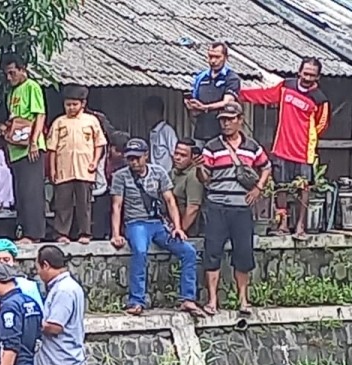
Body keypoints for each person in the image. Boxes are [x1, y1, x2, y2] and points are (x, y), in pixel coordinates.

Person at [109, 138, 201, 316]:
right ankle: (136, 300)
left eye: (137, 158)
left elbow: (170, 200)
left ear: (146, 156)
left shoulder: (158, 172)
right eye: (130, 159)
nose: (134, 162)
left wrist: (177, 227)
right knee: (140, 251)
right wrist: (116, 233)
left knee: (188, 251)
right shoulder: (121, 176)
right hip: (136, 223)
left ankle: (187, 298)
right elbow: (117, 206)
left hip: (158, 223)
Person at [240, 57, 331, 238]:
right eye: (305, 73)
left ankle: (300, 226)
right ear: (299, 72)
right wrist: (239, 94)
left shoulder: (320, 99)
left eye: (312, 75)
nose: (307, 77)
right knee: (281, 187)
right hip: (282, 146)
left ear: (318, 77)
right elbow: (264, 95)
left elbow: (323, 124)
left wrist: (306, 136)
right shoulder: (286, 87)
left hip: (304, 151)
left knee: (304, 188)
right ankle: (283, 224)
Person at [199, 102, 271, 316]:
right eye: (223, 119)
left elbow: (266, 166)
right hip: (217, 206)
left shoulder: (252, 146)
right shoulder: (211, 146)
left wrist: (258, 188)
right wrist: (201, 171)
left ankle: (243, 299)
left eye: (230, 119)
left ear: (240, 120)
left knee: (243, 254)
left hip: (242, 207)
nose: (226, 123)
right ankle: (212, 300)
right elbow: (205, 176)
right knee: (212, 252)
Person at [34, 246, 86, 365]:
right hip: (62, 362)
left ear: (46, 265)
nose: (39, 273)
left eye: (39, 268)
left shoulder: (63, 290)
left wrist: (33, 322)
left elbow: (55, 327)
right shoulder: (67, 286)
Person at [48, 84, 105, 244]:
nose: (71, 108)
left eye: (75, 104)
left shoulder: (91, 121)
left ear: (83, 104)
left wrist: (95, 162)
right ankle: (61, 234)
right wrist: (52, 169)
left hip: (85, 169)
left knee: (83, 203)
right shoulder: (59, 122)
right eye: (68, 104)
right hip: (63, 170)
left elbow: (99, 144)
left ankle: (85, 233)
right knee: (62, 203)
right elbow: (52, 148)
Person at [2, 54, 47, 243]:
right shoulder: (11, 93)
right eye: (7, 74)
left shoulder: (32, 87)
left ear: (23, 70)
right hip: (15, 147)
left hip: (30, 147)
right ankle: (23, 230)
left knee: (32, 191)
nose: (9, 78)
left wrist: (34, 141)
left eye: (12, 73)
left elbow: (40, 115)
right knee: (20, 192)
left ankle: (34, 234)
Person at [188, 42, 241, 145]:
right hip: (201, 132)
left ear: (225, 57)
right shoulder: (200, 77)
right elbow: (195, 105)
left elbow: (227, 102)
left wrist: (205, 107)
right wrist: (192, 106)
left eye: (217, 57)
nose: (213, 61)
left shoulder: (231, 78)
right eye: (210, 57)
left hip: (221, 134)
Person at [170, 141, 205, 236]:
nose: (177, 158)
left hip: (189, 232)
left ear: (193, 157)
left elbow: (193, 208)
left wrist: (180, 230)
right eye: (176, 153)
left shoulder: (194, 176)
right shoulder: (173, 172)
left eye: (183, 155)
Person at [145, 96, 178, 174]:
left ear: (155, 112)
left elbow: (175, 155)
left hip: (167, 175)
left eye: (147, 112)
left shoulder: (167, 131)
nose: (145, 116)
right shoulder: (152, 133)